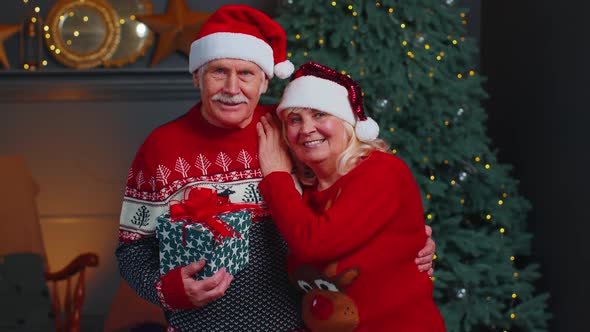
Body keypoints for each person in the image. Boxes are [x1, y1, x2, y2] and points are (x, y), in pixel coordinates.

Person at [116, 5, 435, 331]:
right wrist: (169, 291)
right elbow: (131, 250)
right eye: (218, 71)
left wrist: (408, 241)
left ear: (266, 80)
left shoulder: (291, 128)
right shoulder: (161, 147)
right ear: (197, 75)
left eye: (246, 74)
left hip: (303, 323)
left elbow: (347, 201)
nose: (231, 88)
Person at [256, 62, 446, 331]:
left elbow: (314, 244)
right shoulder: (305, 193)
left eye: (320, 115)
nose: (307, 128)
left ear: (347, 123)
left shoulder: (380, 171)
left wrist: (275, 177)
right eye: (295, 120)